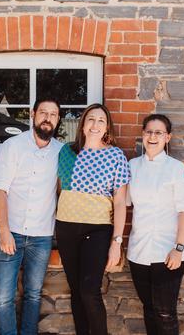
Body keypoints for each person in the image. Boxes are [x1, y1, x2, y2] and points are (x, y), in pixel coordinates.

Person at [55, 103, 130, 335]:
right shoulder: (66, 151)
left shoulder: (116, 155)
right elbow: (60, 190)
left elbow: (119, 202)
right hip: (66, 228)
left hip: (97, 230)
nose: (95, 124)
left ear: (107, 127)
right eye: (90, 119)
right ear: (82, 124)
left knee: (90, 291)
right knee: (77, 291)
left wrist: (116, 242)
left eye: (101, 120)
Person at [0, 97, 63, 335]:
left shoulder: (61, 151)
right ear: (33, 114)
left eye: (53, 114)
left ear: (58, 119)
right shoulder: (13, 146)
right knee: (4, 297)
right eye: (43, 112)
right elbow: (0, 189)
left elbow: (64, 190)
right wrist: (3, 231)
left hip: (42, 235)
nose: (47, 118)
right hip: (10, 231)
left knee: (33, 295)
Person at [127, 114, 184, 335]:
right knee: (149, 310)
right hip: (138, 252)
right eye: (148, 132)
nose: (152, 137)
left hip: (169, 253)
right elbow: (122, 203)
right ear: (143, 135)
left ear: (168, 137)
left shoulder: (177, 168)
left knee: (165, 313)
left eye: (158, 133)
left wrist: (178, 248)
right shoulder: (132, 166)